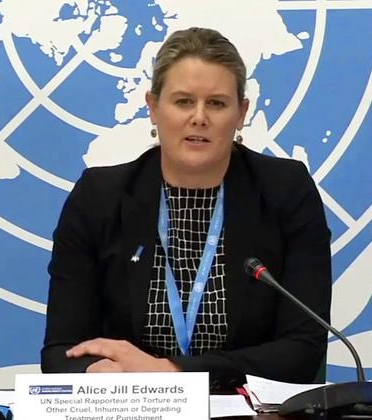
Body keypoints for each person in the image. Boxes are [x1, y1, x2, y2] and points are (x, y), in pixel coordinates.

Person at [41, 27, 331, 389]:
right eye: (183, 101)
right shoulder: (99, 197)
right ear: (153, 107)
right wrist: (98, 374)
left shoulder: (285, 191)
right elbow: (61, 352)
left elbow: (303, 350)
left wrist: (171, 373)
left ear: (242, 113)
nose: (199, 117)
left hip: (244, 409)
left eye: (217, 103)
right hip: (133, 405)